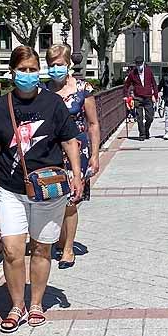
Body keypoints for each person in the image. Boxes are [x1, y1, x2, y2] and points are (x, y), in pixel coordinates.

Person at [0, 45, 84, 332]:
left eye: (33, 70)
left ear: (40, 71)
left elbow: (69, 141)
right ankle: (16, 305)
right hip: (10, 189)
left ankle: (36, 303)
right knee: (12, 249)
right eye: (23, 70)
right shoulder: (1, 107)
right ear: (12, 72)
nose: (28, 75)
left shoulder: (53, 104)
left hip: (47, 189)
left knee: (41, 248)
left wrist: (77, 175)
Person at [45, 44, 100, 268]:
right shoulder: (43, 91)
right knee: (52, 199)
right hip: (50, 150)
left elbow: (94, 123)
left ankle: (68, 248)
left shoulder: (82, 89)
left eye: (59, 64)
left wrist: (95, 155)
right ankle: (58, 240)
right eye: (51, 65)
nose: (55, 69)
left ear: (68, 64)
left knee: (70, 201)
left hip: (77, 151)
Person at [124, 55, 158, 140]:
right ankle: (142, 134)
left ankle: (146, 130)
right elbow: (126, 85)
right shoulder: (132, 74)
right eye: (137, 64)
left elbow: (154, 84)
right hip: (138, 97)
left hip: (148, 97)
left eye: (140, 64)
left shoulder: (148, 71)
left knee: (150, 117)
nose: (139, 66)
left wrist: (155, 95)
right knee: (139, 118)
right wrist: (126, 96)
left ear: (143, 63)